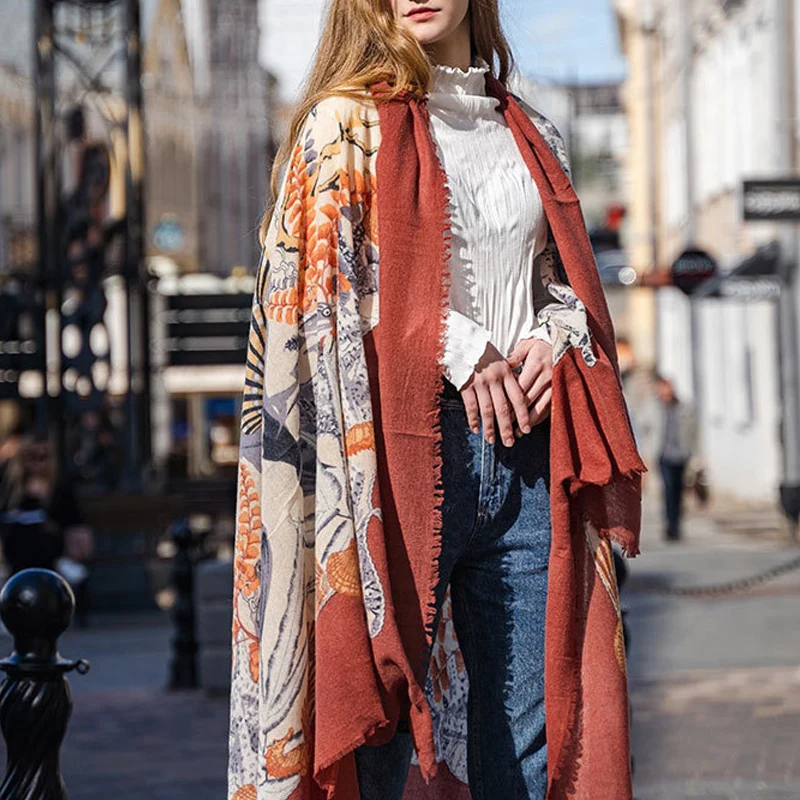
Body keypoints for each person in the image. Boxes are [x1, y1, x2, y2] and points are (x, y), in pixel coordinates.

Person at [228, 2, 645, 799]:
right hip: (394, 454)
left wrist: (547, 340)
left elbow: (565, 286)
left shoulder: (533, 133)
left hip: (530, 455)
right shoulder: (343, 125)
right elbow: (326, 293)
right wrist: (457, 345)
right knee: (383, 718)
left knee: (531, 726)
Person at [0, 435, 92, 625]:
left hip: (51, 550)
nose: (38, 463)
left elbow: (74, 521)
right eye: (32, 457)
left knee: (39, 542)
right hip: (18, 549)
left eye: (44, 457)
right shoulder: (11, 487)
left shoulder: (60, 487)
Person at [654, 374, 697, 541]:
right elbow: (646, 428)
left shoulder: (684, 407)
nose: (666, 392)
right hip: (663, 454)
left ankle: (676, 524)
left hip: (681, 456)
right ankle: (670, 525)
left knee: (678, 491)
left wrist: (696, 455)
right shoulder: (655, 407)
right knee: (668, 489)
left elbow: (693, 432)